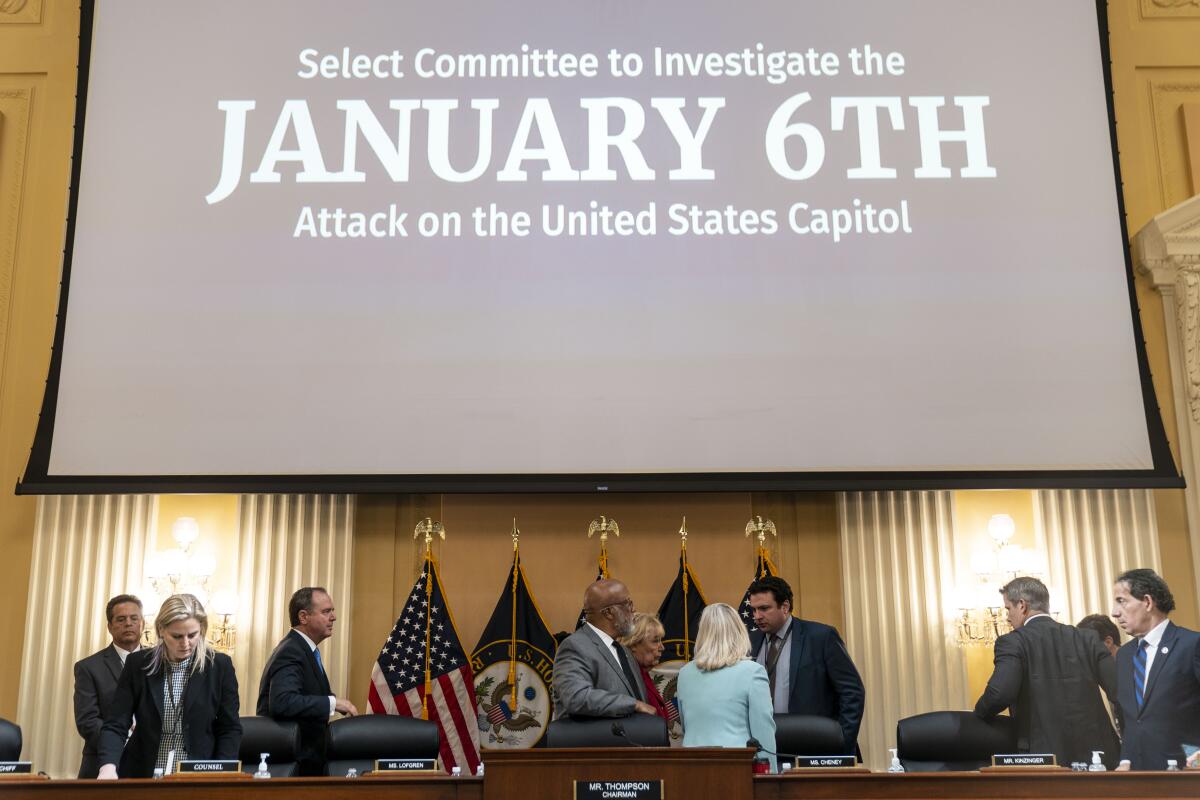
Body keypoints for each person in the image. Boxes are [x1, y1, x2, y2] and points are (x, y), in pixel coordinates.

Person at [974, 577, 1120, 768]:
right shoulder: (1088, 638)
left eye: (1008, 609)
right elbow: (1118, 690)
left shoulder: (1012, 642)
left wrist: (978, 715)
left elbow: (1000, 693)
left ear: (1022, 605)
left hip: (1043, 758)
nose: (1007, 617)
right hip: (1100, 755)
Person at [96, 594, 240, 778]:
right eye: (177, 636)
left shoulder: (219, 666)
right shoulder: (138, 664)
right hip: (143, 772)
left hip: (198, 775)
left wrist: (222, 772)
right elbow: (116, 724)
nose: (186, 643)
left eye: (192, 635)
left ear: (202, 630)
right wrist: (108, 766)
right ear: (161, 630)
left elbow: (229, 728)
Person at [746, 575, 865, 755]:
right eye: (753, 610)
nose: (757, 616)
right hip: (765, 747)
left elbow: (852, 692)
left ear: (785, 607)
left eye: (764, 608)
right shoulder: (750, 641)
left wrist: (841, 740)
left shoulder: (821, 637)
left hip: (814, 746)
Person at [257, 586, 358, 776]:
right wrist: (333, 702)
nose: (334, 617)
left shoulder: (303, 649)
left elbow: (304, 695)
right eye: (326, 611)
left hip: (308, 761)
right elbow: (282, 702)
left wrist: (332, 701)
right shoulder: (292, 650)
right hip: (295, 766)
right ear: (303, 617)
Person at [1110, 568, 1200, 771]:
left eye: (1121, 601)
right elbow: (1132, 719)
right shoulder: (1124, 656)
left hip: (1186, 774)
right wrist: (1125, 760)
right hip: (1137, 776)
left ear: (1148, 602)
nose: (1115, 612)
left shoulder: (1192, 645)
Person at [675, 603, 776, 770]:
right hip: (736, 770)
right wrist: (771, 780)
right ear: (739, 632)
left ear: (702, 634)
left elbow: (687, 727)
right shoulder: (753, 672)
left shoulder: (685, 673)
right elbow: (763, 734)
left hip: (691, 768)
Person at [552, 579, 656, 719]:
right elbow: (576, 697)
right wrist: (633, 704)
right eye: (628, 604)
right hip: (594, 741)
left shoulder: (624, 651)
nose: (633, 610)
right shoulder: (574, 647)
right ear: (609, 612)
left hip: (632, 739)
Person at [74, 594, 145, 778]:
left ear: (142, 624)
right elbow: (88, 721)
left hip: (148, 762)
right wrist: (120, 741)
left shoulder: (158, 663)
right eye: (121, 619)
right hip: (102, 764)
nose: (128, 623)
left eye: (134, 618)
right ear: (110, 626)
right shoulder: (89, 667)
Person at [618, 612, 670, 721]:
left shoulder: (642, 674)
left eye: (661, 640)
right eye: (655, 641)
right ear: (633, 644)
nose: (662, 647)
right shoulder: (625, 680)